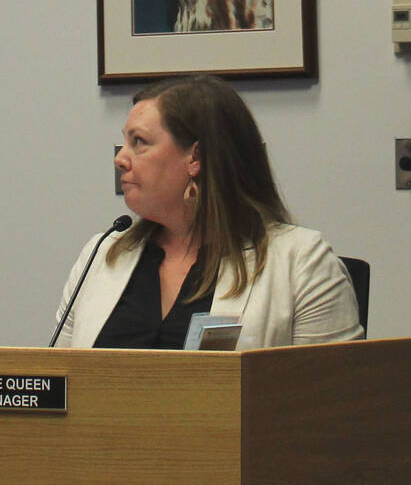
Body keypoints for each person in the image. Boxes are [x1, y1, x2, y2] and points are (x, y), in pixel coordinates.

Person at [51, 75, 363, 349]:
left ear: (195, 157)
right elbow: (58, 384)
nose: (121, 158)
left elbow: (333, 402)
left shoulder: (302, 263)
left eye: (139, 142)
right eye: (125, 142)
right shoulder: (102, 255)